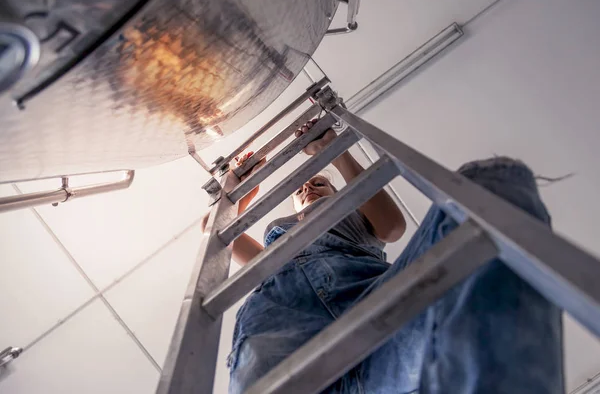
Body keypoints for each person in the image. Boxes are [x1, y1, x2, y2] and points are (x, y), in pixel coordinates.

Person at [203, 120, 563, 393]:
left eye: (319, 184)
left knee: (492, 183)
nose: (309, 186)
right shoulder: (276, 245)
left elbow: (392, 227)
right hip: (284, 332)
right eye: (301, 190)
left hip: (373, 305)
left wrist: (333, 148)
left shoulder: (355, 214)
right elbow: (215, 234)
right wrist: (235, 197)